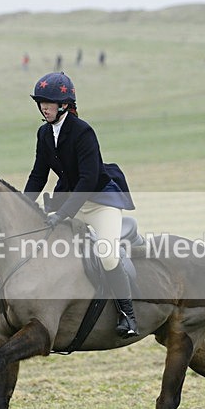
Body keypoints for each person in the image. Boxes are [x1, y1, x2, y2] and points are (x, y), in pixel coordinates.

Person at [24, 72, 139, 338]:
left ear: (64, 104)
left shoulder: (83, 131)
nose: (44, 107)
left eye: (50, 102)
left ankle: (128, 315)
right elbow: (38, 175)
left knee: (107, 254)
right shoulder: (44, 133)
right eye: (41, 102)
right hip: (69, 202)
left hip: (99, 203)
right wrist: (22, 205)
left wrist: (62, 214)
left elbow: (88, 178)